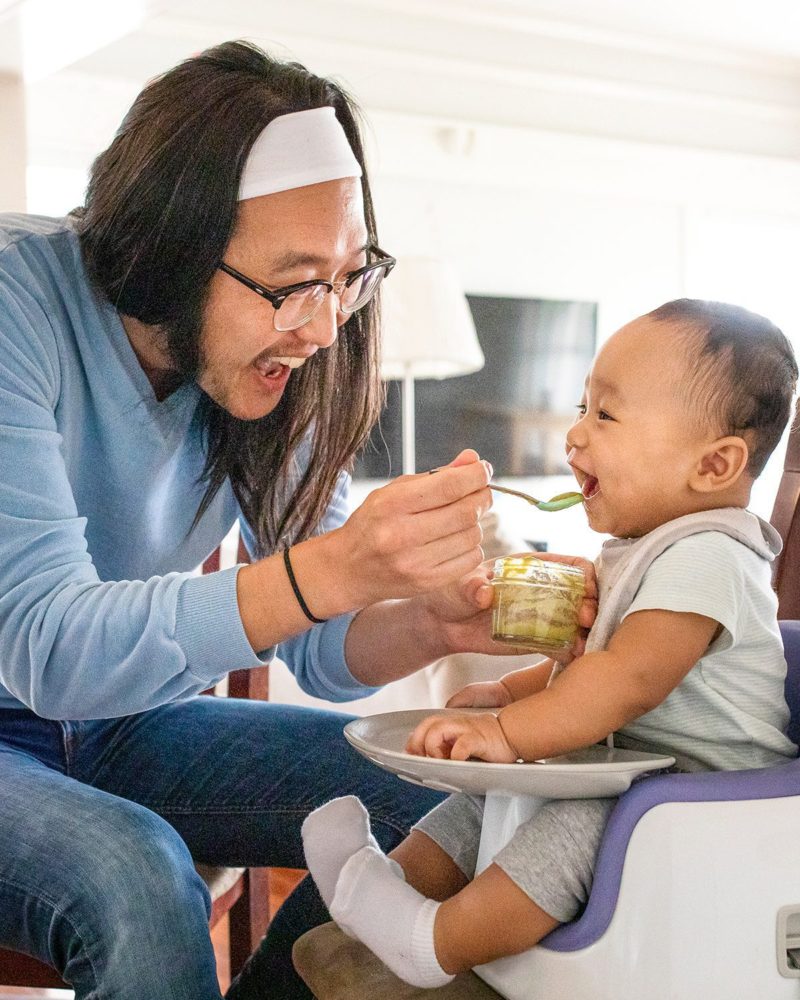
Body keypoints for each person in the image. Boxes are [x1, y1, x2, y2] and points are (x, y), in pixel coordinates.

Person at [0, 40, 599, 1000]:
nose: (323, 329)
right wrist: (332, 567)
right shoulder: (12, 305)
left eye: (349, 277)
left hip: (117, 721)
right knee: (137, 877)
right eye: (290, 284)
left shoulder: (289, 352)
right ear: (169, 250)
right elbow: (47, 649)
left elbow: (318, 654)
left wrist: (429, 620)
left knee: (442, 806)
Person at [303, 298, 800, 989]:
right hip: (642, 770)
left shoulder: (710, 554)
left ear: (714, 466)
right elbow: (592, 666)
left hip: (704, 795)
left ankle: (433, 942)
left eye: (606, 415)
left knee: (569, 826)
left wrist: (508, 729)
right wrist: (506, 696)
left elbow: (625, 679)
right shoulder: (642, 550)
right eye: (581, 406)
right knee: (488, 797)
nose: (574, 435)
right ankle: (382, 887)